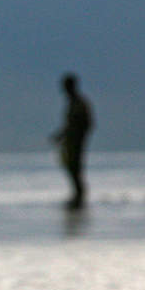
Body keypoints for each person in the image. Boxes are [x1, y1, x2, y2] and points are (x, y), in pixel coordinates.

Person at [51, 73, 93, 209]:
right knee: (71, 167)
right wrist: (61, 136)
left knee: (75, 168)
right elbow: (69, 125)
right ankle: (77, 196)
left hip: (76, 142)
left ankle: (79, 197)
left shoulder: (79, 103)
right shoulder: (73, 103)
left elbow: (86, 123)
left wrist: (78, 137)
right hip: (70, 142)